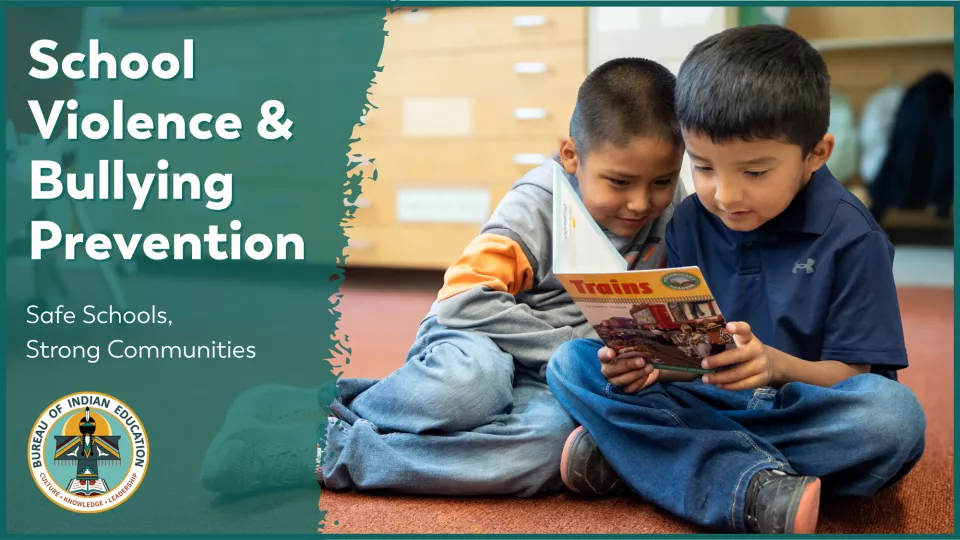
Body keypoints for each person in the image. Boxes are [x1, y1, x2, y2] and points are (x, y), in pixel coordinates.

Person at [200, 57, 688, 497]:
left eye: (662, 182)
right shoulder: (539, 204)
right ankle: (317, 408)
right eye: (619, 182)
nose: (641, 203)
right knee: (469, 389)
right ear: (571, 156)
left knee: (543, 448)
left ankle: (329, 452)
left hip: (561, 378)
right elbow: (462, 301)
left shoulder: (677, 213)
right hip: (478, 340)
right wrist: (569, 352)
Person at [547, 25, 926, 534]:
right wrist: (644, 366)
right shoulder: (688, 220)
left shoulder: (852, 237)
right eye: (702, 167)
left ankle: (650, 458)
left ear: (817, 153)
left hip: (798, 403)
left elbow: (854, 379)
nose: (725, 195)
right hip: (705, 396)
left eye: (754, 172)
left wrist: (773, 365)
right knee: (570, 364)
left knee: (893, 419)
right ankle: (752, 484)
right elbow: (679, 357)